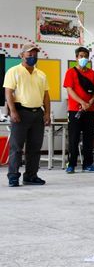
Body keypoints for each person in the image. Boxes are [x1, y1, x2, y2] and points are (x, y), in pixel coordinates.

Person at [3, 44, 51, 187]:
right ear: (22, 55)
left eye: (35, 54)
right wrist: (13, 111)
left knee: (35, 148)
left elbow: (46, 96)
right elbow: (8, 92)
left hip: (38, 114)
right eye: (29, 54)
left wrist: (47, 113)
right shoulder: (14, 71)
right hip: (20, 113)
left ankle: (31, 176)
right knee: (16, 147)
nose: (32, 57)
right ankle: (13, 177)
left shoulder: (41, 74)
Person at [63, 47, 94, 174]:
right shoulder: (70, 72)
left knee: (89, 138)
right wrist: (82, 102)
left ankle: (88, 164)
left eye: (85, 56)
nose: (83, 58)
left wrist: (90, 101)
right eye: (80, 56)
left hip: (90, 110)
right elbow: (69, 90)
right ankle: (71, 164)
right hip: (75, 110)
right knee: (73, 138)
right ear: (76, 58)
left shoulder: (92, 73)